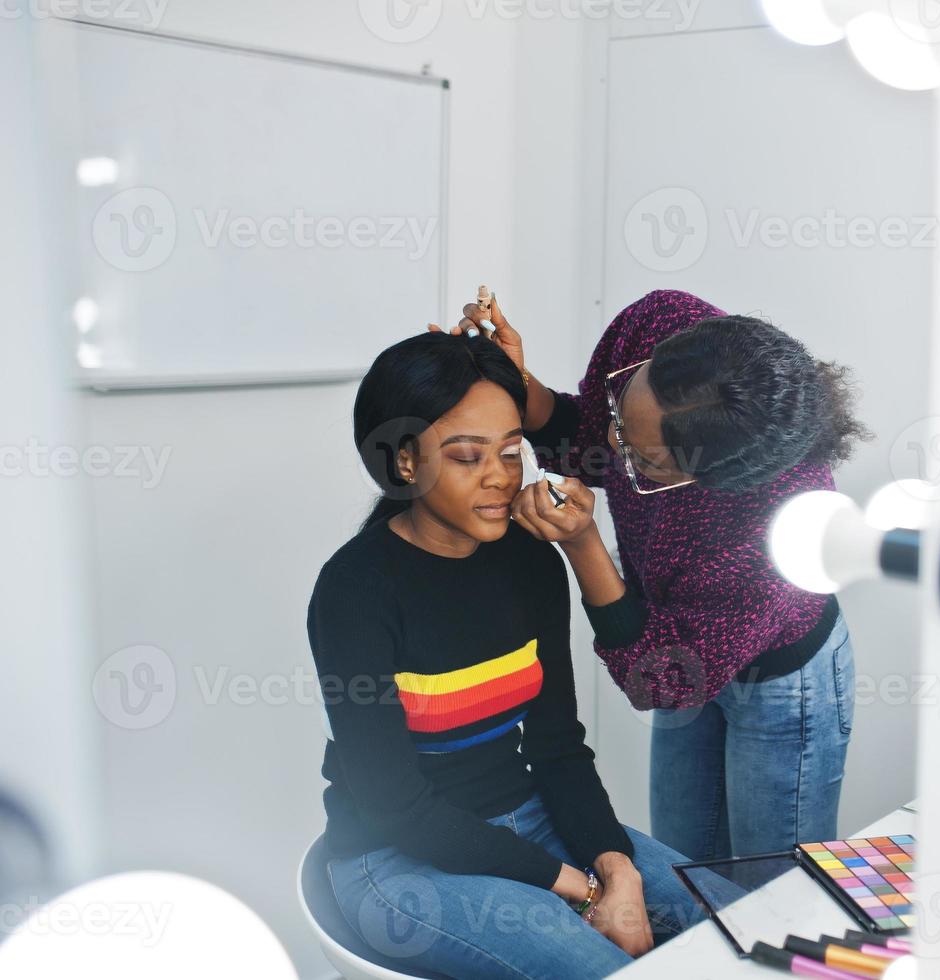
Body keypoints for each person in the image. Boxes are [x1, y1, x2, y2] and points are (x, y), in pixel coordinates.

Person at [307, 331, 703, 980]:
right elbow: (396, 806)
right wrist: (583, 889)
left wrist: (617, 867)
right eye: (467, 457)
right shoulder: (355, 590)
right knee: (603, 968)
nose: (500, 477)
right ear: (406, 461)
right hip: (395, 857)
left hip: (531, 822)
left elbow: (557, 747)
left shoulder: (529, 562)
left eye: (512, 452)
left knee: (725, 922)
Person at [445, 289, 870, 862]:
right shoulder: (658, 322)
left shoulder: (780, 530)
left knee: (767, 897)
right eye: (625, 412)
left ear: (714, 479)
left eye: (642, 461)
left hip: (780, 685)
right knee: (688, 867)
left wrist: (583, 542)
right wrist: (521, 387)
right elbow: (595, 439)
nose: (617, 450)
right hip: (677, 645)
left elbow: (659, 680)